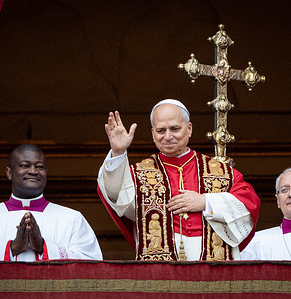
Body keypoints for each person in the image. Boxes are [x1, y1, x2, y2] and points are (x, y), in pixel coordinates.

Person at [97, 99, 261, 261]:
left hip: (213, 263)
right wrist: (118, 152)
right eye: (161, 131)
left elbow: (249, 204)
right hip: (160, 264)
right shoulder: (138, 173)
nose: (168, 137)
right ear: (153, 133)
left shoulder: (222, 172)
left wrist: (206, 202)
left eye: (175, 129)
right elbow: (116, 196)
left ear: (189, 129)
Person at [0, 144, 102, 261]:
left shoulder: (72, 218)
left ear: (46, 173)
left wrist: (43, 247)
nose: (33, 171)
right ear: (9, 173)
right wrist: (12, 247)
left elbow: (91, 263)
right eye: (25, 165)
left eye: (39, 167)